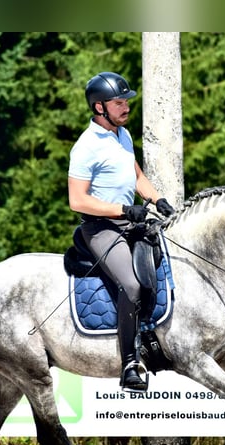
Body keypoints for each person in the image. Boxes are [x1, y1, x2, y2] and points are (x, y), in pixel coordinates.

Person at [68, 71, 176, 393]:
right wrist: (123, 210)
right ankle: (130, 363)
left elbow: (136, 175)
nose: (126, 106)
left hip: (132, 221)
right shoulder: (85, 147)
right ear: (100, 107)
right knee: (130, 285)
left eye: (126, 101)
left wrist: (157, 198)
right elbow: (77, 200)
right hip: (101, 228)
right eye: (119, 103)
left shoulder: (123, 135)